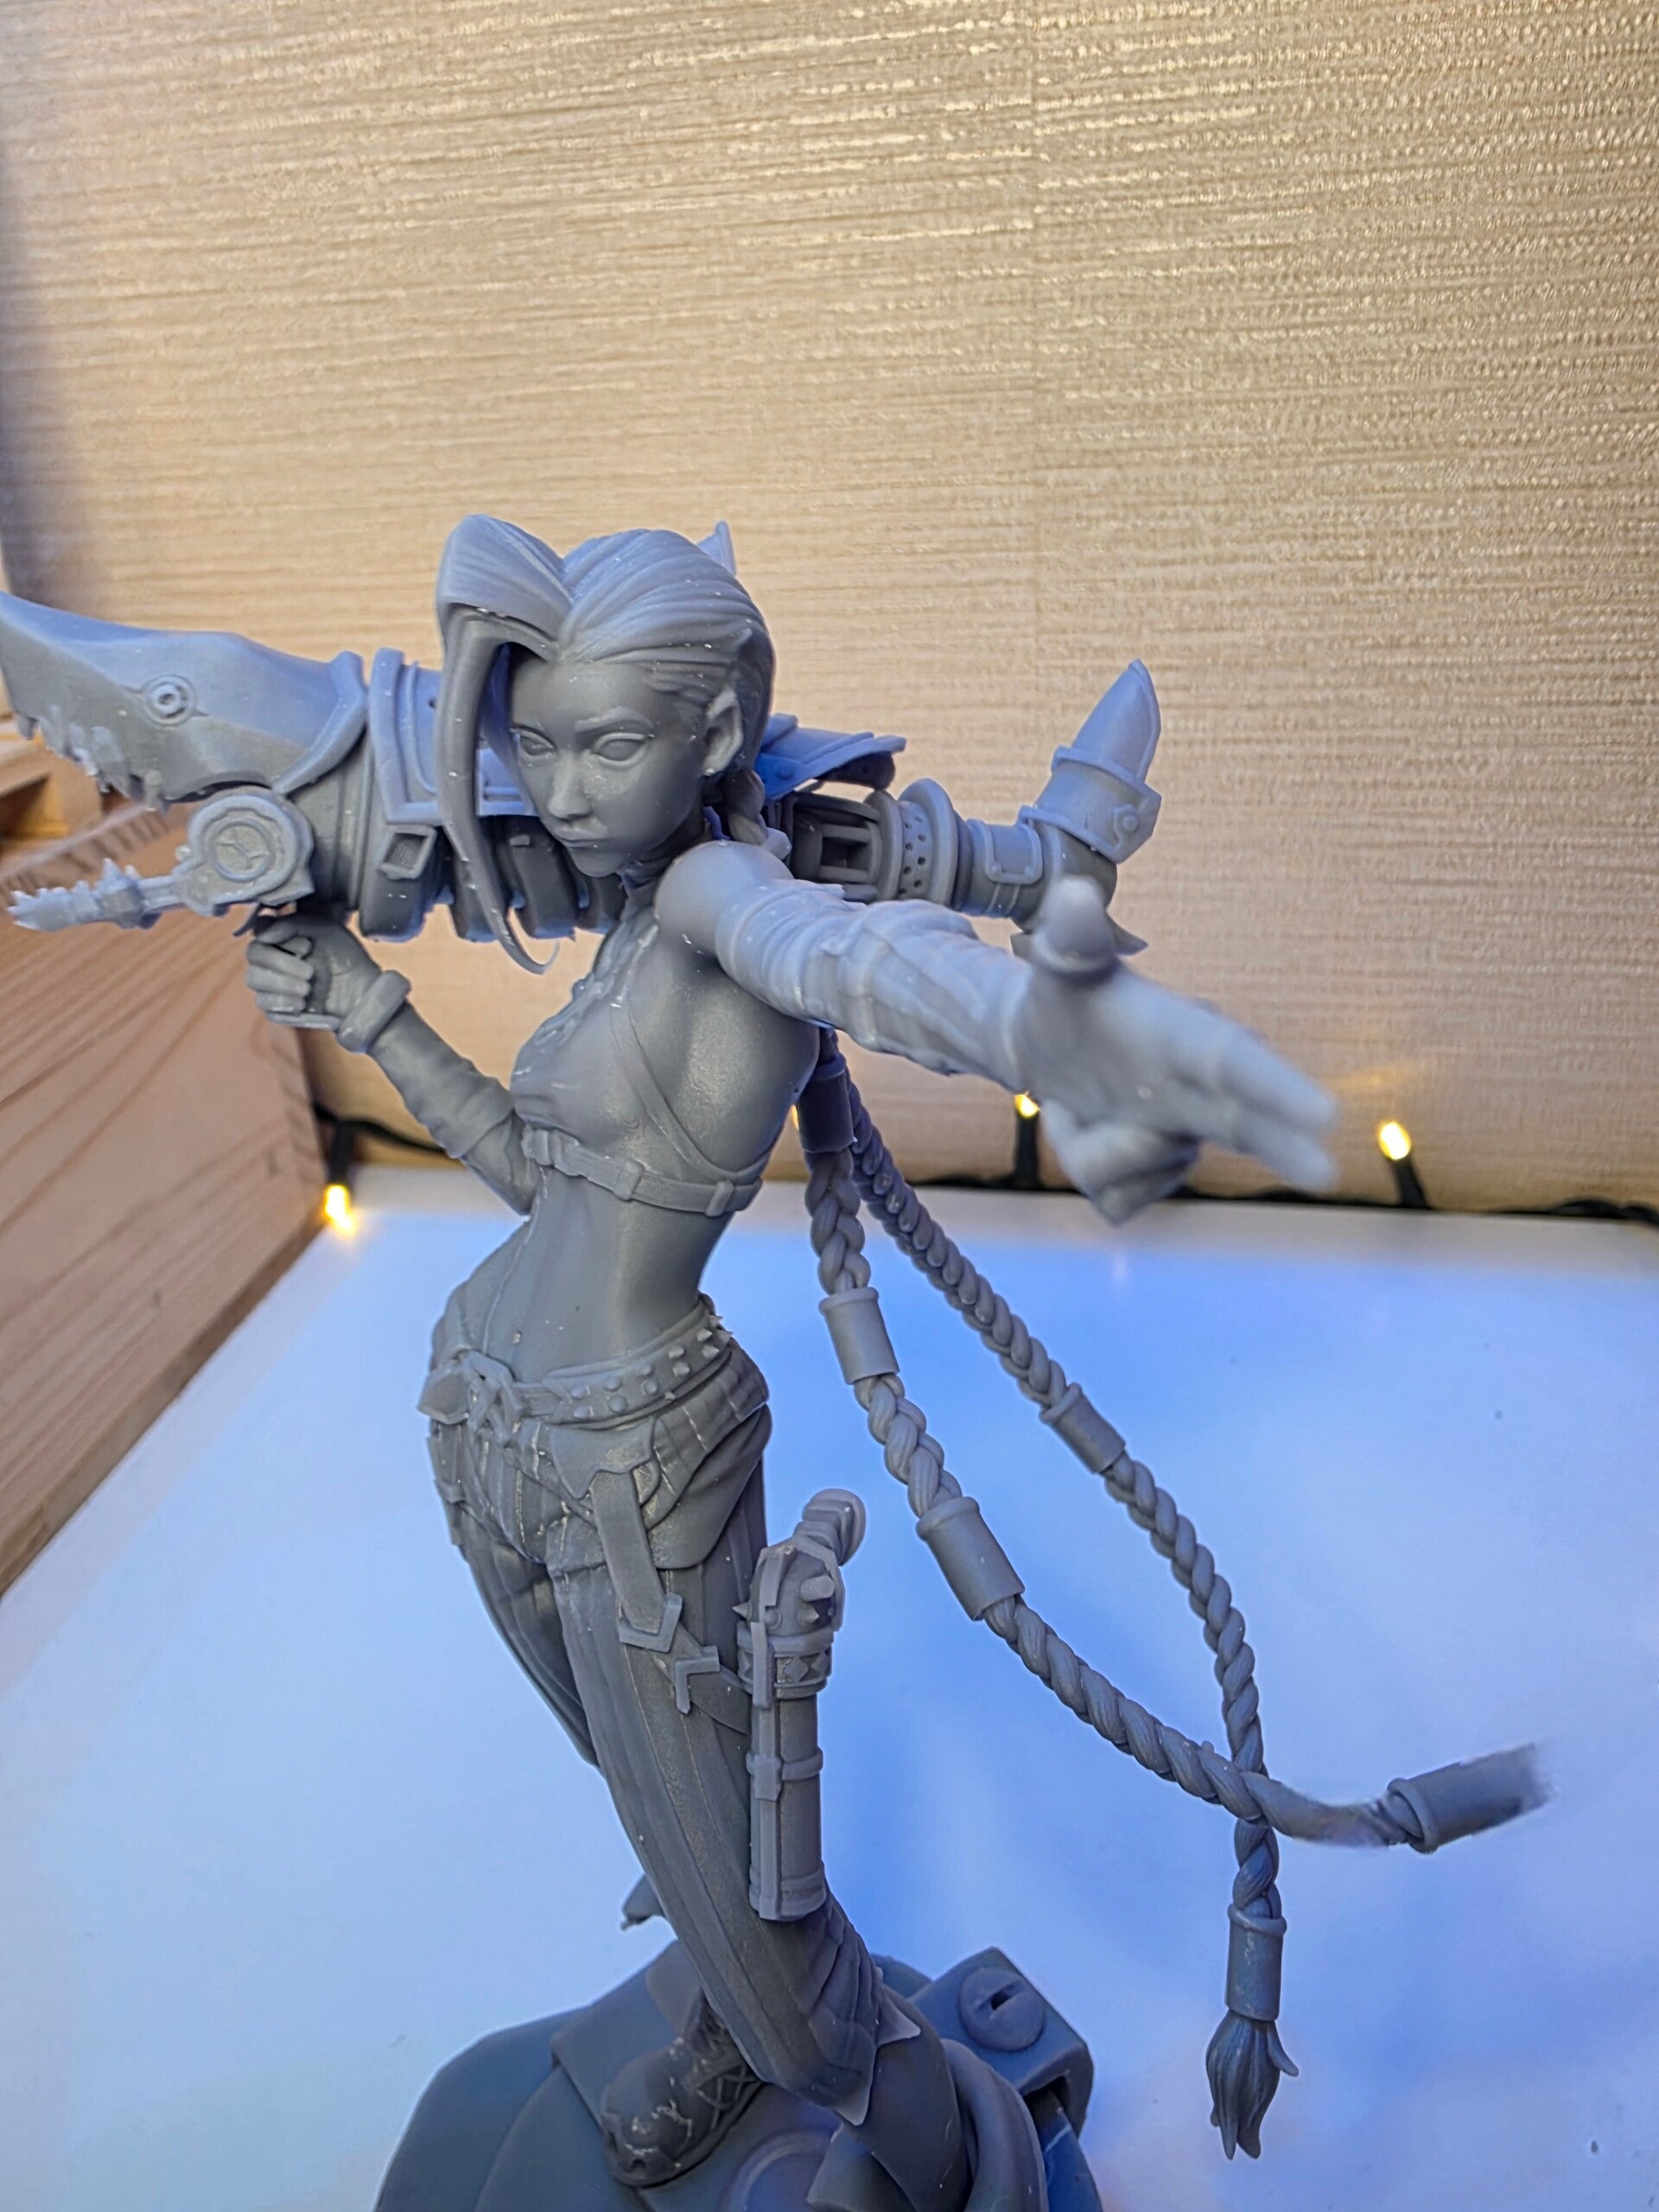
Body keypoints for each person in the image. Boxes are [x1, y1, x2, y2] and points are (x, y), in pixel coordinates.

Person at [242, 517, 1335, 2207]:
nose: (565, 791)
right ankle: (736, 2047)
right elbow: (548, 1182)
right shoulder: (629, 918)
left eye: (607, 745)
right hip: (486, 1419)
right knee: (670, 1839)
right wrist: (367, 1009)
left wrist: (1058, 1026)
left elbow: (849, 960)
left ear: (714, 733)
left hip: (631, 1463)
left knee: (779, 1954)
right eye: (544, 746)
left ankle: (932, 2148)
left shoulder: (726, 903)